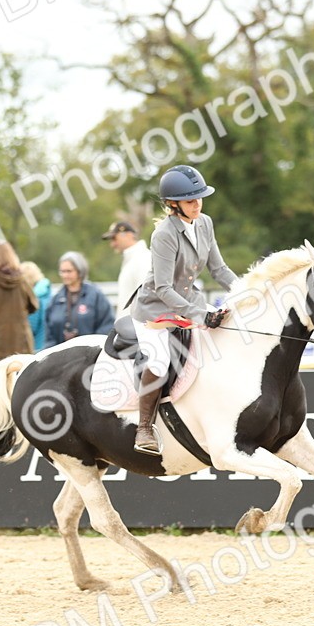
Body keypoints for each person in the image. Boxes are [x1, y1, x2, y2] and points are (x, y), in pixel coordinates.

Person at [130, 165, 239, 455]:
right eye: (190, 200)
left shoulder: (204, 223)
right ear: (172, 204)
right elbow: (164, 289)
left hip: (189, 303)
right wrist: (200, 314)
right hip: (156, 311)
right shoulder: (164, 234)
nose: (197, 204)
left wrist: (245, 291)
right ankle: (144, 427)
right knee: (159, 359)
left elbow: (219, 269)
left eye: (199, 198)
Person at [45, 251, 115, 348]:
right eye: (62, 271)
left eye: (69, 271)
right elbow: (49, 334)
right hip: (61, 358)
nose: (65, 275)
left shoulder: (96, 296)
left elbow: (107, 325)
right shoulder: (56, 300)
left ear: (80, 271)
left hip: (91, 356)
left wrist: (93, 348)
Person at [101, 220, 150, 317]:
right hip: (129, 327)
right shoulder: (132, 260)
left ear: (128, 235)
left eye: (115, 238)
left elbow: (146, 297)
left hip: (137, 327)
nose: (112, 244)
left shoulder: (143, 259)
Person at [20, 261, 51, 352]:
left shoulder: (35, 297)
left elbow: (31, 327)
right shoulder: (47, 293)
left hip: (35, 347)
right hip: (46, 344)